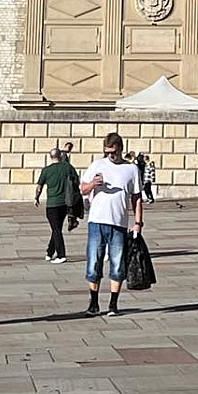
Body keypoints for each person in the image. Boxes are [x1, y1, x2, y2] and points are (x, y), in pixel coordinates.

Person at [80, 132, 144, 318]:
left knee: (117, 264)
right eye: (107, 152)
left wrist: (138, 222)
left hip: (119, 223)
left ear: (121, 149)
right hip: (97, 221)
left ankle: (113, 304)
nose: (110, 156)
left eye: (113, 152)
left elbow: (137, 198)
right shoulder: (97, 165)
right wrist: (93, 184)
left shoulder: (131, 169)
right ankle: (93, 303)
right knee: (94, 264)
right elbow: (82, 189)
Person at [34, 145, 80, 264]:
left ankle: (61, 255)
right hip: (65, 203)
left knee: (56, 229)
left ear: (50, 157)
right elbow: (76, 181)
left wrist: (36, 198)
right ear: (60, 156)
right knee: (57, 228)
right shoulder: (68, 167)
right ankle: (49, 252)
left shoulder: (46, 170)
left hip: (52, 204)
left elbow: (39, 187)